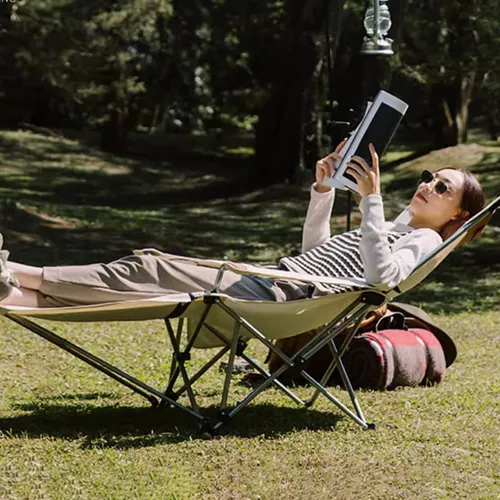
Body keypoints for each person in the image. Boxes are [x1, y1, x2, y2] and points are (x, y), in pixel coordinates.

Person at [0, 143, 485, 309]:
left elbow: (381, 280)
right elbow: (317, 252)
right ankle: (10, 291)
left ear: (457, 216)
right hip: (275, 281)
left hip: (272, 296)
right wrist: (322, 193)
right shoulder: (396, 227)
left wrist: (372, 201)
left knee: (146, 265)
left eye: (443, 188)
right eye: (429, 177)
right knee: (142, 271)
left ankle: (14, 270)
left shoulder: (421, 239)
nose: (428, 185)